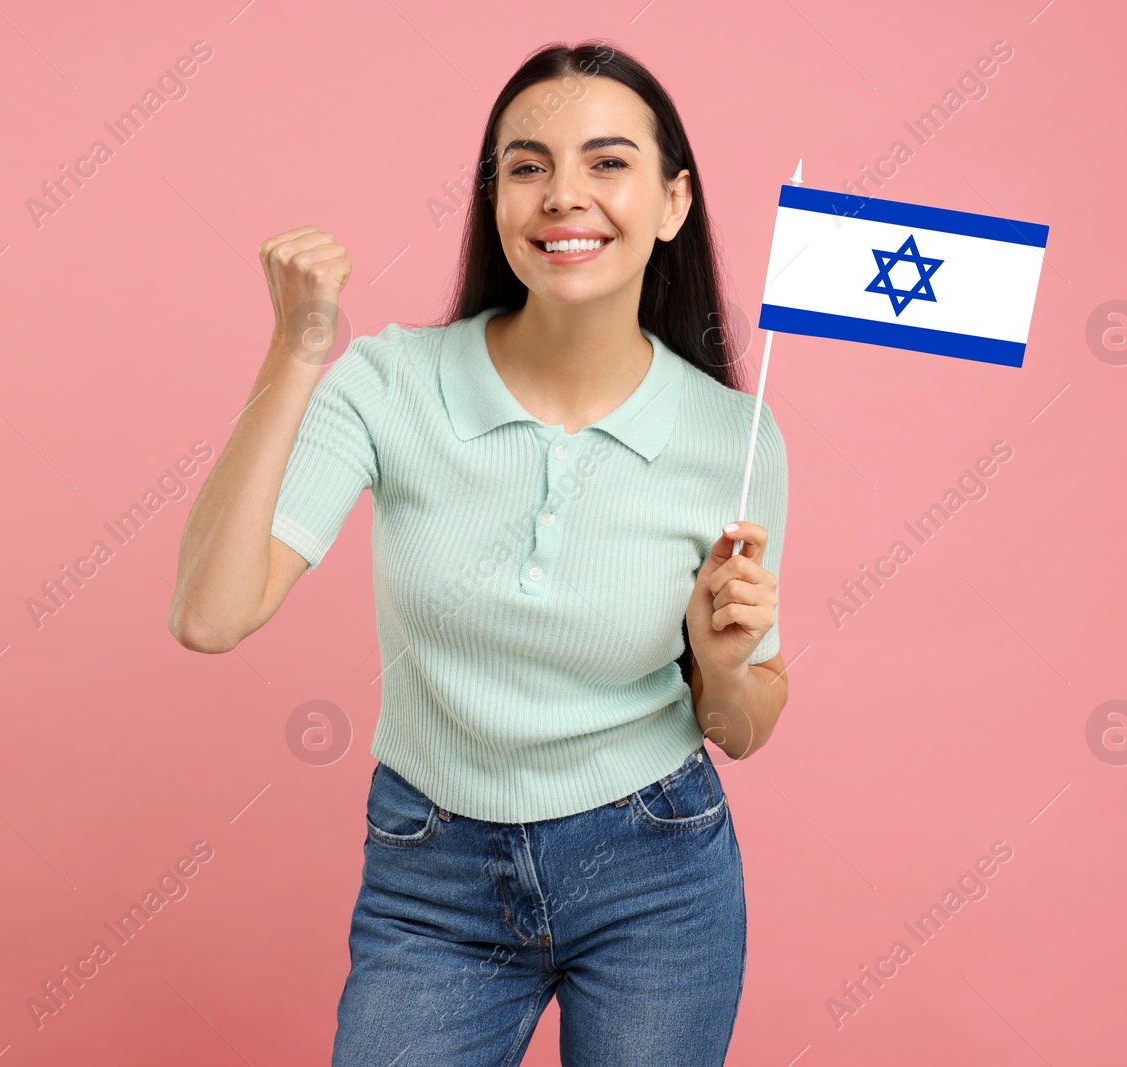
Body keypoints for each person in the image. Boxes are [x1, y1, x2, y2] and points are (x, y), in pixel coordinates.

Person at [168, 39, 789, 1067]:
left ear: (673, 201)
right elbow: (209, 612)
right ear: (493, 197)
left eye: (607, 162)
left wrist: (722, 665)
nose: (563, 196)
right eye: (527, 165)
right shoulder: (390, 383)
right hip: (433, 872)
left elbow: (746, 721)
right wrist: (295, 352)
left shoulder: (736, 436)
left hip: (657, 871)